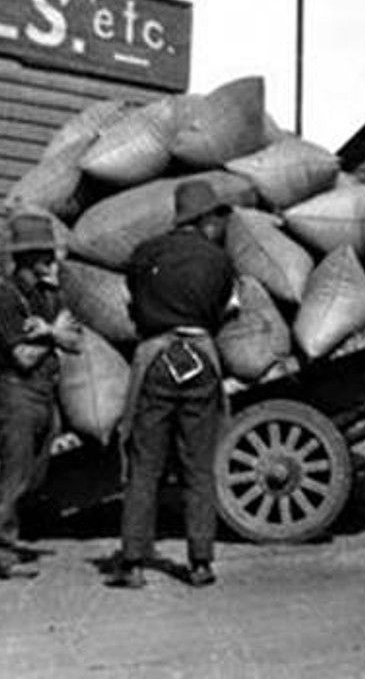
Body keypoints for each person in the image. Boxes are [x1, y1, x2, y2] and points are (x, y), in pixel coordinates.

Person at [108, 180, 237, 590]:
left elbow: (132, 302)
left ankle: (132, 561)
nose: (219, 225)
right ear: (202, 220)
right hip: (200, 360)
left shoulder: (144, 255)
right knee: (198, 466)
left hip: (156, 361)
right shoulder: (218, 261)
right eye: (216, 217)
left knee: (144, 465)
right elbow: (224, 311)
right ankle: (200, 562)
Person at [0, 212, 82, 579]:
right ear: (26, 259)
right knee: (14, 476)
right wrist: (53, 335)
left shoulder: (50, 295)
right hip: (15, 395)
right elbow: (21, 357)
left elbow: (76, 341)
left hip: (44, 396)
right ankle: (0, 552)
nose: (51, 263)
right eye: (44, 256)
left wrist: (49, 333)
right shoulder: (3, 299)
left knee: (34, 477)